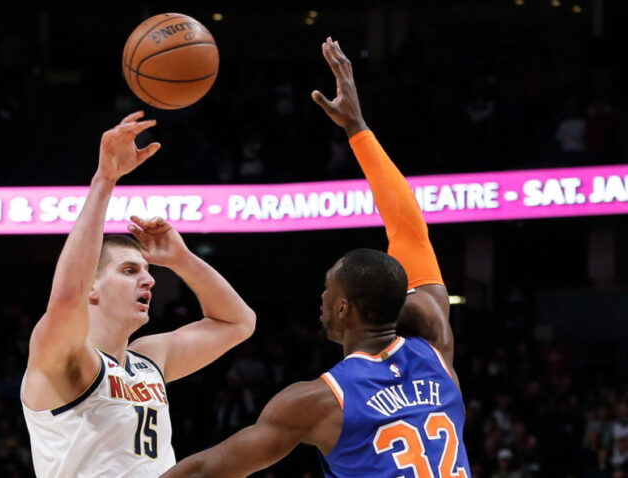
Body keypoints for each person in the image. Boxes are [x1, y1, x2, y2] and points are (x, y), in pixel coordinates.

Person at [162, 38, 471, 478]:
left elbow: (207, 469)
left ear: (343, 308)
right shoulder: (436, 348)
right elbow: (409, 229)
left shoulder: (321, 401)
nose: (322, 297)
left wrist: (355, 128)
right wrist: (358, 129)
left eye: (328, 289)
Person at [20, 112, 256, 477]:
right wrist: (105, 180)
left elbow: (238, 322)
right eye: (129, 271)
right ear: (92, 286)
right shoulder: (67, 359)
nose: (148, 281)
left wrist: (182, 259)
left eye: (147, 272)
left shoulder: (148, 360)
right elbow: (67, 298)